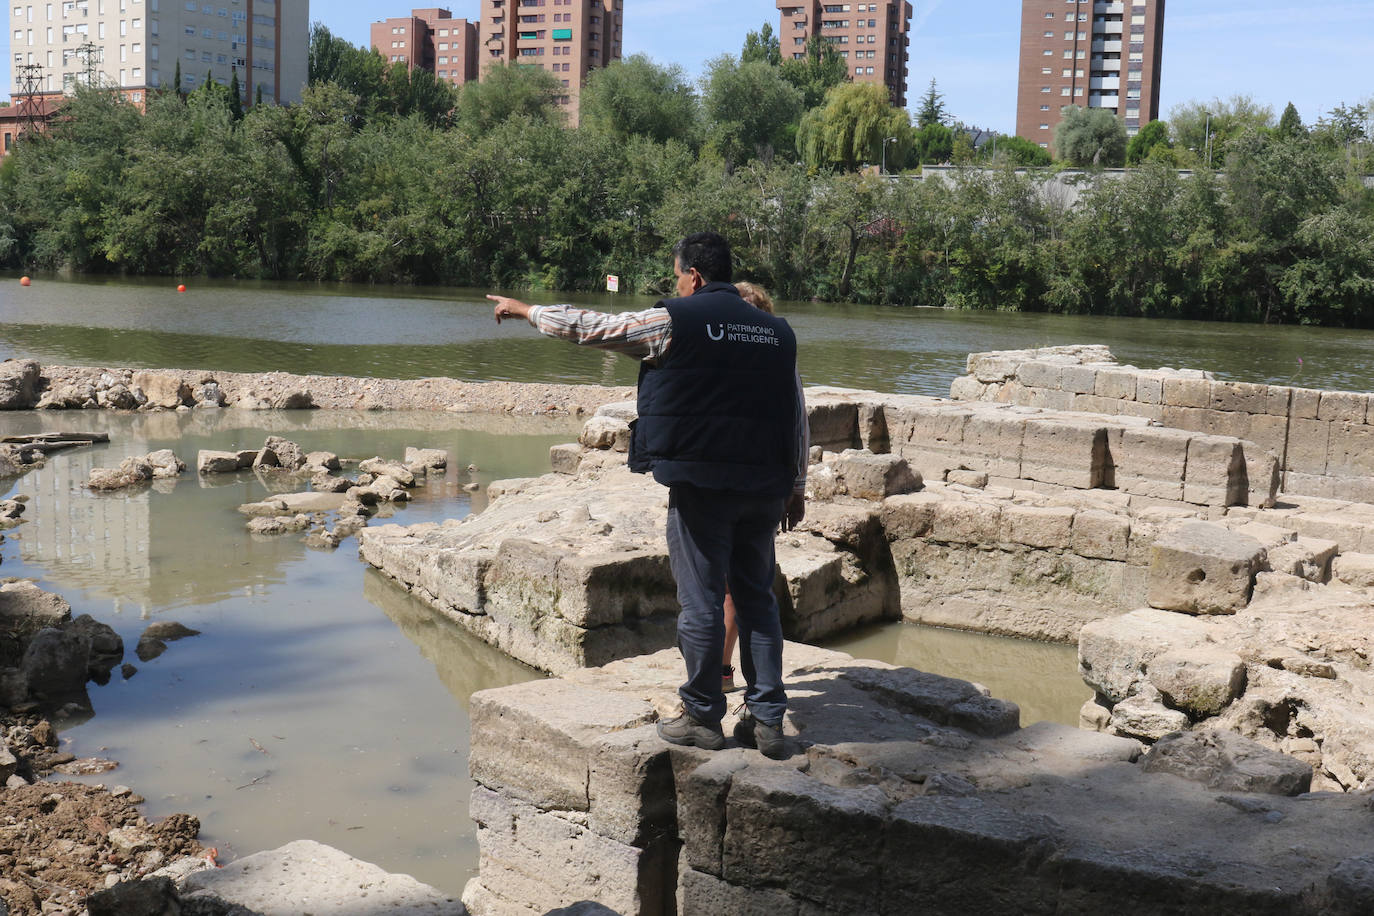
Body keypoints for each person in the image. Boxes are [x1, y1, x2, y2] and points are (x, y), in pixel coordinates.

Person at [489, 232, 807, 759]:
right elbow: (793, 413)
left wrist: (527, 310)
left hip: (704, 486)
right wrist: (797, 484)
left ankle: (704, 716)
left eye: (678, 275)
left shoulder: (675, 321)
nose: (676, 284)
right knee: (756, 599)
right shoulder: (778, 333)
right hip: (765, 488)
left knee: (702, 602)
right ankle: (768, 720)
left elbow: (595, 328)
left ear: (695, 277)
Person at [717, 280, 776, 693]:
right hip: (751, 486)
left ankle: (718, 679)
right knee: (738, 591)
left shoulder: (772, 357)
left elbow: (796, 422)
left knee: (735, 592)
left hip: (741, 486)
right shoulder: (774, 353)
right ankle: (743, 686)